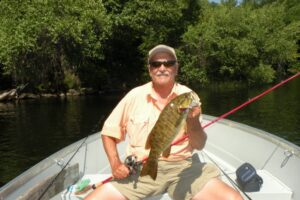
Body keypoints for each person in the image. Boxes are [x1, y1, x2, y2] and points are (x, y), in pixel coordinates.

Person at [85, 44, 243, 200]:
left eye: (168, 63)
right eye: (155, 64)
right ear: (149, 69)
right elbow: (108, 133)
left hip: (183, 168)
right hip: (141, 169)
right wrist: (115, 163)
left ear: (176, 68)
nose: (162, 67)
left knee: (233, 199)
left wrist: (193, 121)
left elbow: (199, 144)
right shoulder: (134, 96)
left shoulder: (188, 96)